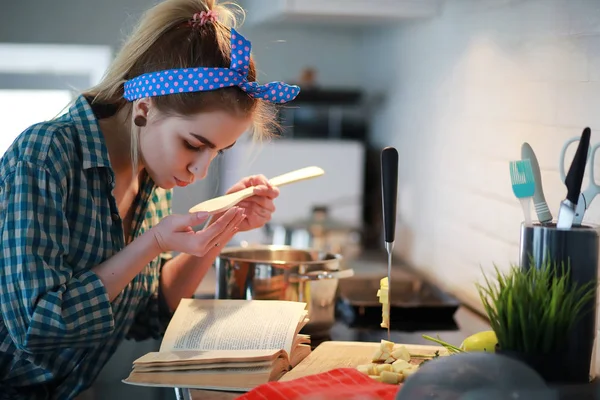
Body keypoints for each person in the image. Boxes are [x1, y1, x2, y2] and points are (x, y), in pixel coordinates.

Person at [0, 0, 300, 398]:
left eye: (218, 152)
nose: (200, 170)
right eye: (194, 144)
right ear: (143, 109)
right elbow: (38, 326)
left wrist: (217, 231)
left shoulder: (151, 180)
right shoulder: (47, 152)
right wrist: (153, 242)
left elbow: (150, 312)